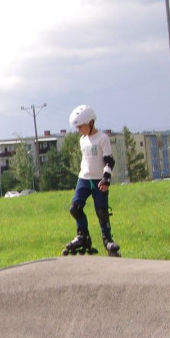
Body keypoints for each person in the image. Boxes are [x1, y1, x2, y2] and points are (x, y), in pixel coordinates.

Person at [62, 105, 121, 257]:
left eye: (80, 127)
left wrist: (106, 178)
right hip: (84, 179)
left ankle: (107, 240)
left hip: (99, 180)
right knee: (75, 208)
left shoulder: (102, 138)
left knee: (101, 212)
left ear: (91, 122)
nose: (79, 130)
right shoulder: (82, 140)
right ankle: (83, 237)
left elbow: (109, 160)